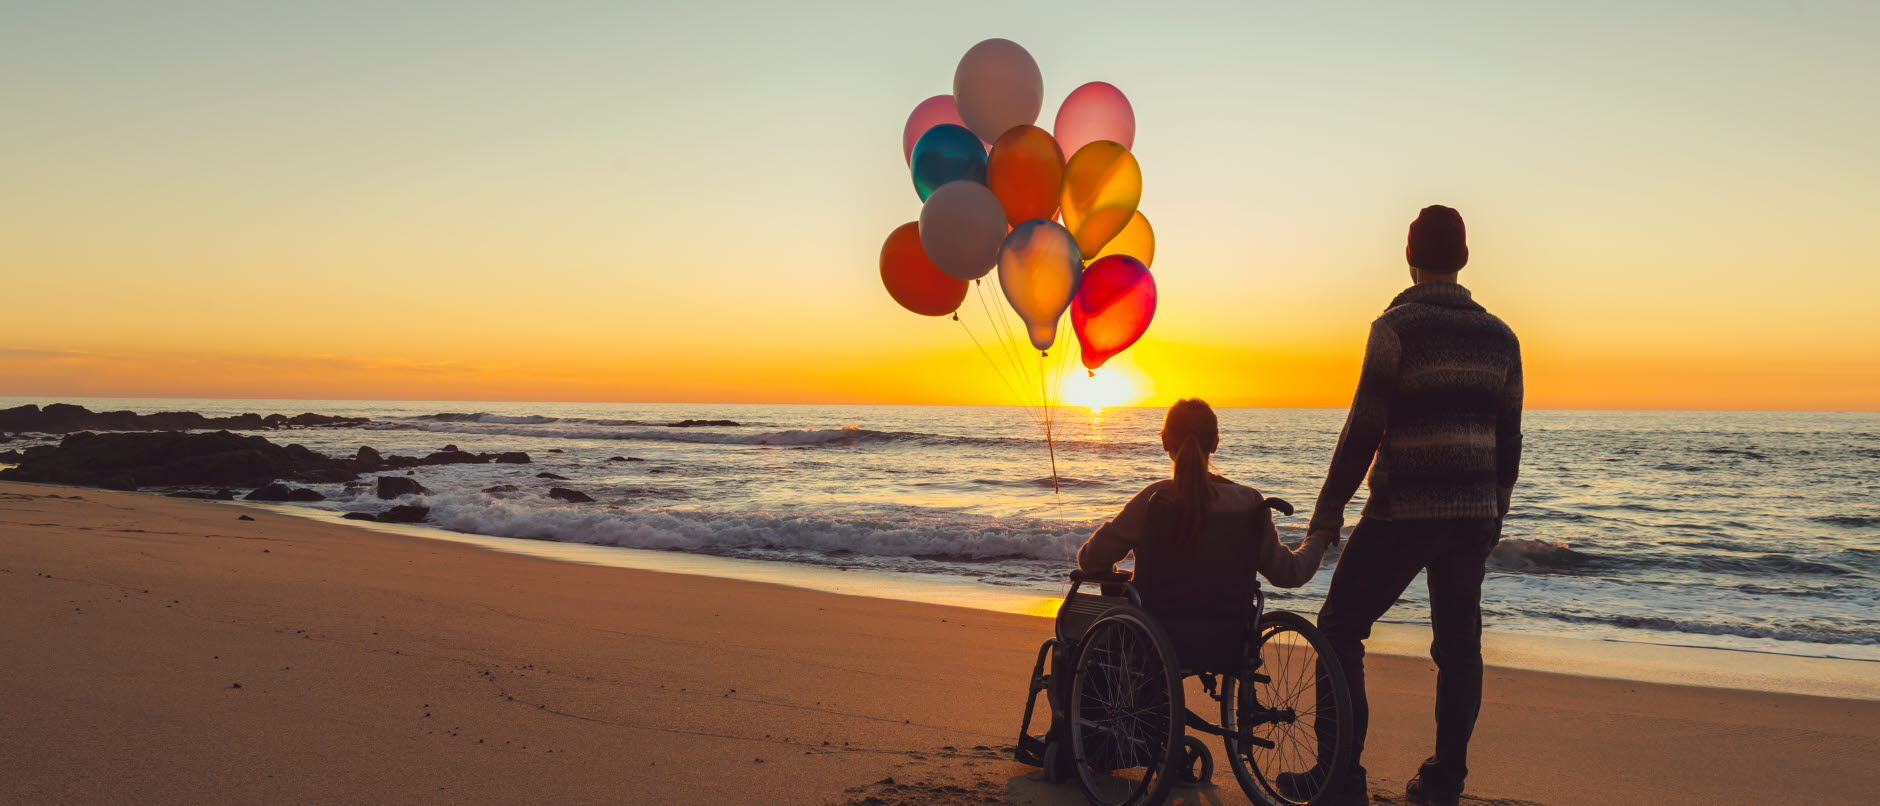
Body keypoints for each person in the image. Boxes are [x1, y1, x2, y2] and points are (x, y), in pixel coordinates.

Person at [1304, 205, 1524, 806]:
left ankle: (1340, 775)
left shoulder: (1395, 328)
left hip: (1403, 511)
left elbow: (1363, 431)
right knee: (1459, 649)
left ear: (1408, 254)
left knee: (1340, 628)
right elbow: (1510, 438)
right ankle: (1444, 783)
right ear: (1465, 257)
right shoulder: (1502, 337)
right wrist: (1495, 510)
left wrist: (1328, 513)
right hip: (1472, 515)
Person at [1078, 398, 1333, 672]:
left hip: (1153, 639)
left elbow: (1091, 561)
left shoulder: (1156, 501)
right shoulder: (1249, 502)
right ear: (1215, 443)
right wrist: (1318, 537)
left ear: (1165, 442)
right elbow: (1289, 574)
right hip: (1226, 639)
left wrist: (1117, 582)